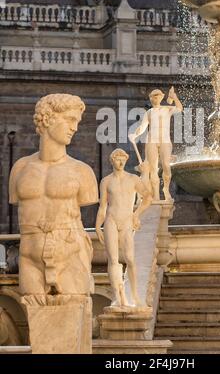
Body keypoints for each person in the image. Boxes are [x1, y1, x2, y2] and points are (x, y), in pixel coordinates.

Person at [9, 93, 99, 299]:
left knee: (71, 323)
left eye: (77, 121)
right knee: (36, 324)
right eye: (70, 119)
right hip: (29, 259)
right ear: (48, 119)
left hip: (70, 257)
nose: (75, 128)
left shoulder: (82, 172)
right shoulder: (20, 169)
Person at [96, 148, 152, 308]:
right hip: (111, 221)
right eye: (117, 159)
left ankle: (135, 296)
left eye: (123, 159)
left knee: (130, 259)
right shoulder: (106, 181)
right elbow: (102, 207)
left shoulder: (133, 179)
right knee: (113, 260)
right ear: (112, 161)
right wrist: (97, 226)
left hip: (127, 220)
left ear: (126, 161)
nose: (120, 162)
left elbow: (148, 197)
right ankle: (119, 297)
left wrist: (136, 214)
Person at [129, 87, 183, 201]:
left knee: (166, 166)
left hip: (165, 140)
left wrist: (174, 97)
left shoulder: (167, 109)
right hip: (152, 140)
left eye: (158, 95)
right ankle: (156, 197)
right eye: (153, 96)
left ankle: (166, 189)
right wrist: (135, 134)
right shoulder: (149, 112)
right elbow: (142, 127)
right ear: (150, 99)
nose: (155, 97)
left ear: (162, 96)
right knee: (153, 169)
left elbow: (179, 108)